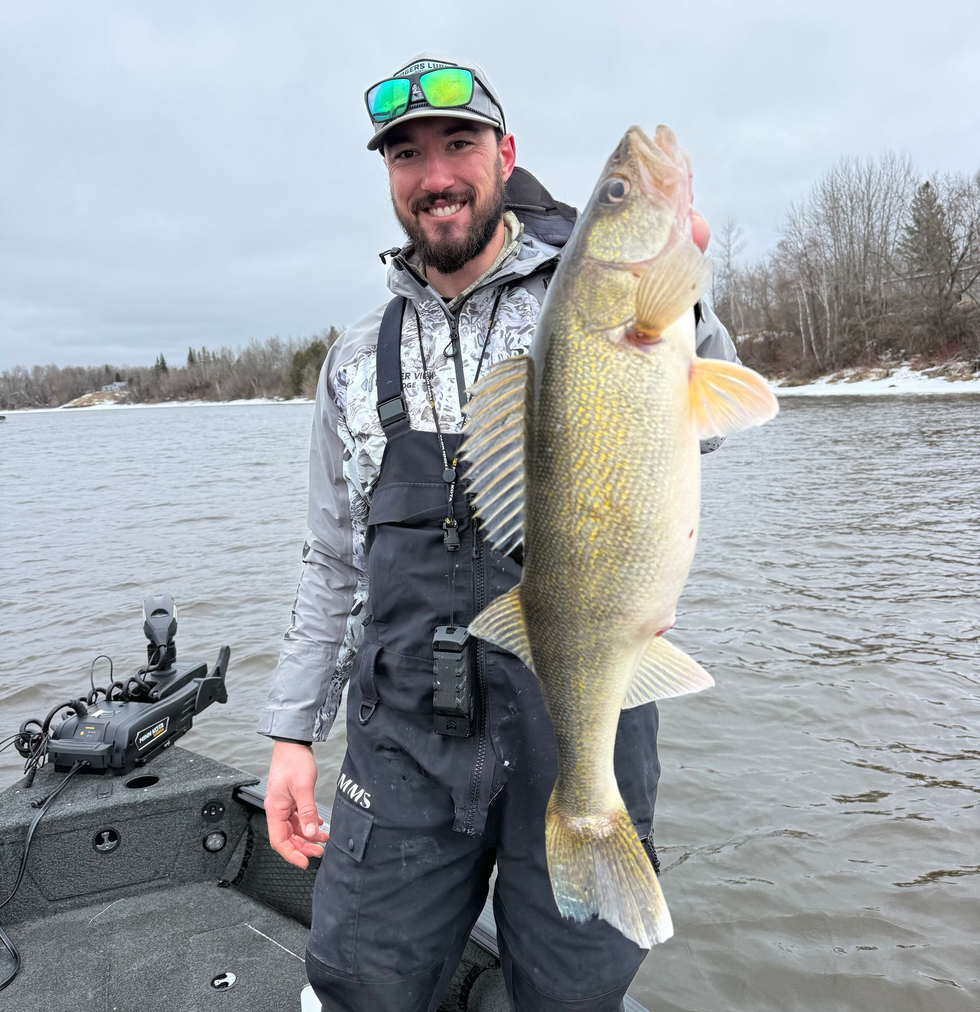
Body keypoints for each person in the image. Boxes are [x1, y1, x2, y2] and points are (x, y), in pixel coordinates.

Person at [257, 53, 739, 1012]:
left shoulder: (585, 300)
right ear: (390, 177)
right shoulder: (355, 359)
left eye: (459, 145)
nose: (435, 175)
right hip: (400, 740)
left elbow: (707, 417)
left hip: (574, 719)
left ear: (505, 154)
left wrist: (682, 291)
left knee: (573, 990)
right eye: (408, 155)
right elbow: (334, 559)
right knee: (357, 982)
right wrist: (289, 734)